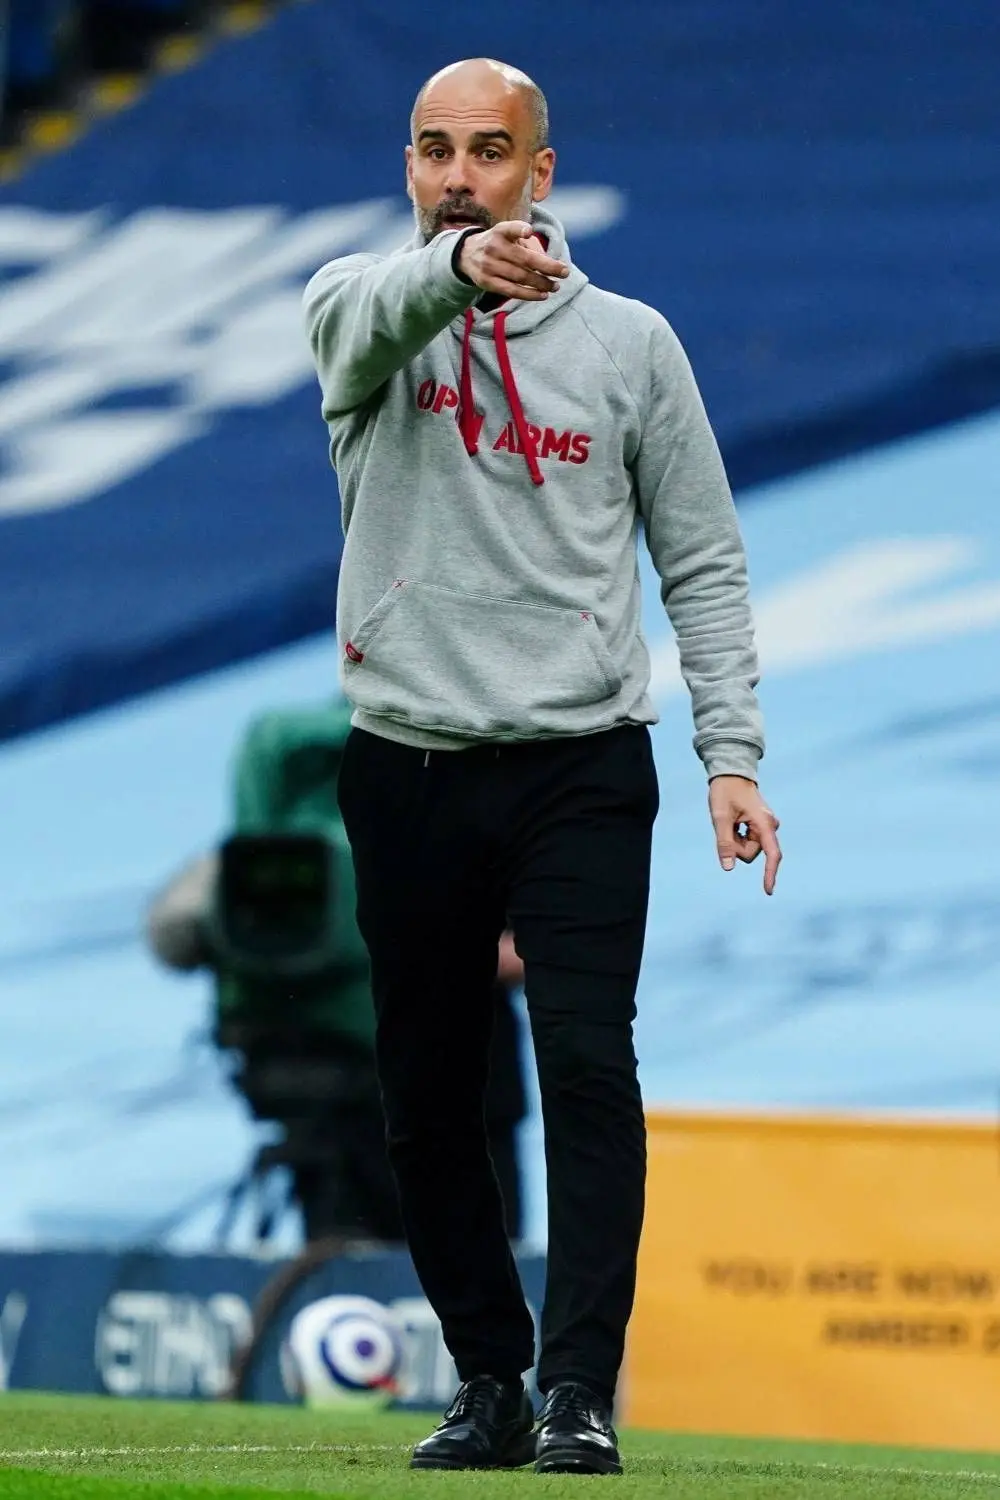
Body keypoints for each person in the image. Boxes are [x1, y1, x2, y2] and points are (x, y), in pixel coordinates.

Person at [302, 57, 781, 1475]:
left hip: (580, 758)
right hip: (409, 759)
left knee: (585, 1063)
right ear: (410, 168)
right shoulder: (357, 312)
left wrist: (732, 756)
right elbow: (381, 313)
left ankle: (578, 1389)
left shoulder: (633, 344)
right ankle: (488, 1376)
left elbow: (702, 556)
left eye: (491, 152)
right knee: (428, 1089)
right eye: (437, 151)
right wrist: (456, 274)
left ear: (541, 174)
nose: (461, 176)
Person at [145, 699, 529, 1246]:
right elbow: (176, 933)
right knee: (349, 1281)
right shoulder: (292, 773)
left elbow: (546, 945)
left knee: (472, 1277)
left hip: (462, 1098)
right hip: (332, 1103)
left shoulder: (486, 791)